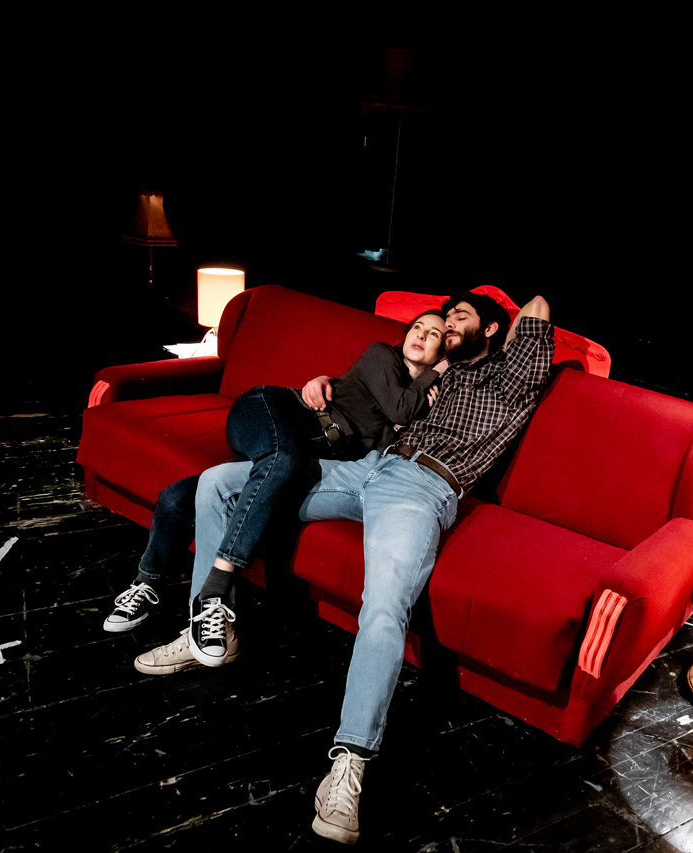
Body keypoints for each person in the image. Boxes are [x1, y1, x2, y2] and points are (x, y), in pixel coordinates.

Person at [190, 291, 553, 844]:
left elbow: (540, 306)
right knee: (219, 482)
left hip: (424, 488)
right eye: (444, 317)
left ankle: (350, 763)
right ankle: (206, 622)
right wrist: (323, 383)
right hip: (368, 468)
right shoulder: (440, 375)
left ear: (493, 329)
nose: (446, 324)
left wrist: (490, 316)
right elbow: (370, 391)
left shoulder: (511, 377)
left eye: (459, 317)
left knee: (384, 607)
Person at [104, 311, 449, 670]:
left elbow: (393, 434)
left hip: (305, 452)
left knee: (188, 494)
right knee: (281, 460)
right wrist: (437, 370)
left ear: (441, 348)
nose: (422, 335)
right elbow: (399, 408)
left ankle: (147, 580)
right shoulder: (383, 355)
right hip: (274, 411)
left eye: (434, 334)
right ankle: (214, 591)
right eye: (418, 327)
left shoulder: (421, 398)